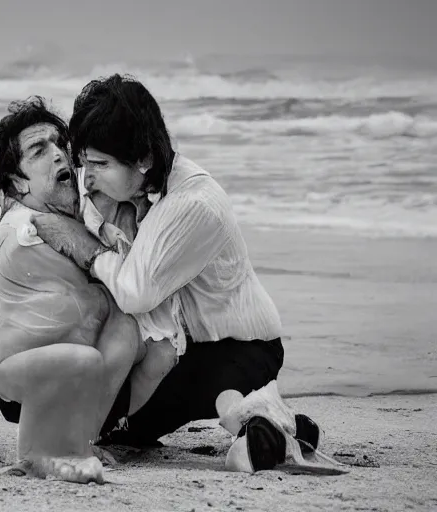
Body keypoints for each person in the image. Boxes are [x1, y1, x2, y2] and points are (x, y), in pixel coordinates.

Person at [31, 74, 292, 447]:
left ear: (144, 159)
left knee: (120, 428)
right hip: (177, 344)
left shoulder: (192, 205)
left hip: (236, 349)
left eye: (101, 165)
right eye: (86, 163)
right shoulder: (130, 189)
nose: (88, 178)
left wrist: (82, 247)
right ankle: (275, 423)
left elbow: (136, 293)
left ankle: (271, 425)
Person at [0, 97, 144, 484]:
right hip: (16, 362)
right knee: (93, 350)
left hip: (57, 354)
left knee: (124, 330)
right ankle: (40, 455)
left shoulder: (78, 215)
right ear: (18, 182)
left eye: (61, 144)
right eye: (39, 151)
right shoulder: (23, 229)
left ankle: (78, 441)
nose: (60, 155)